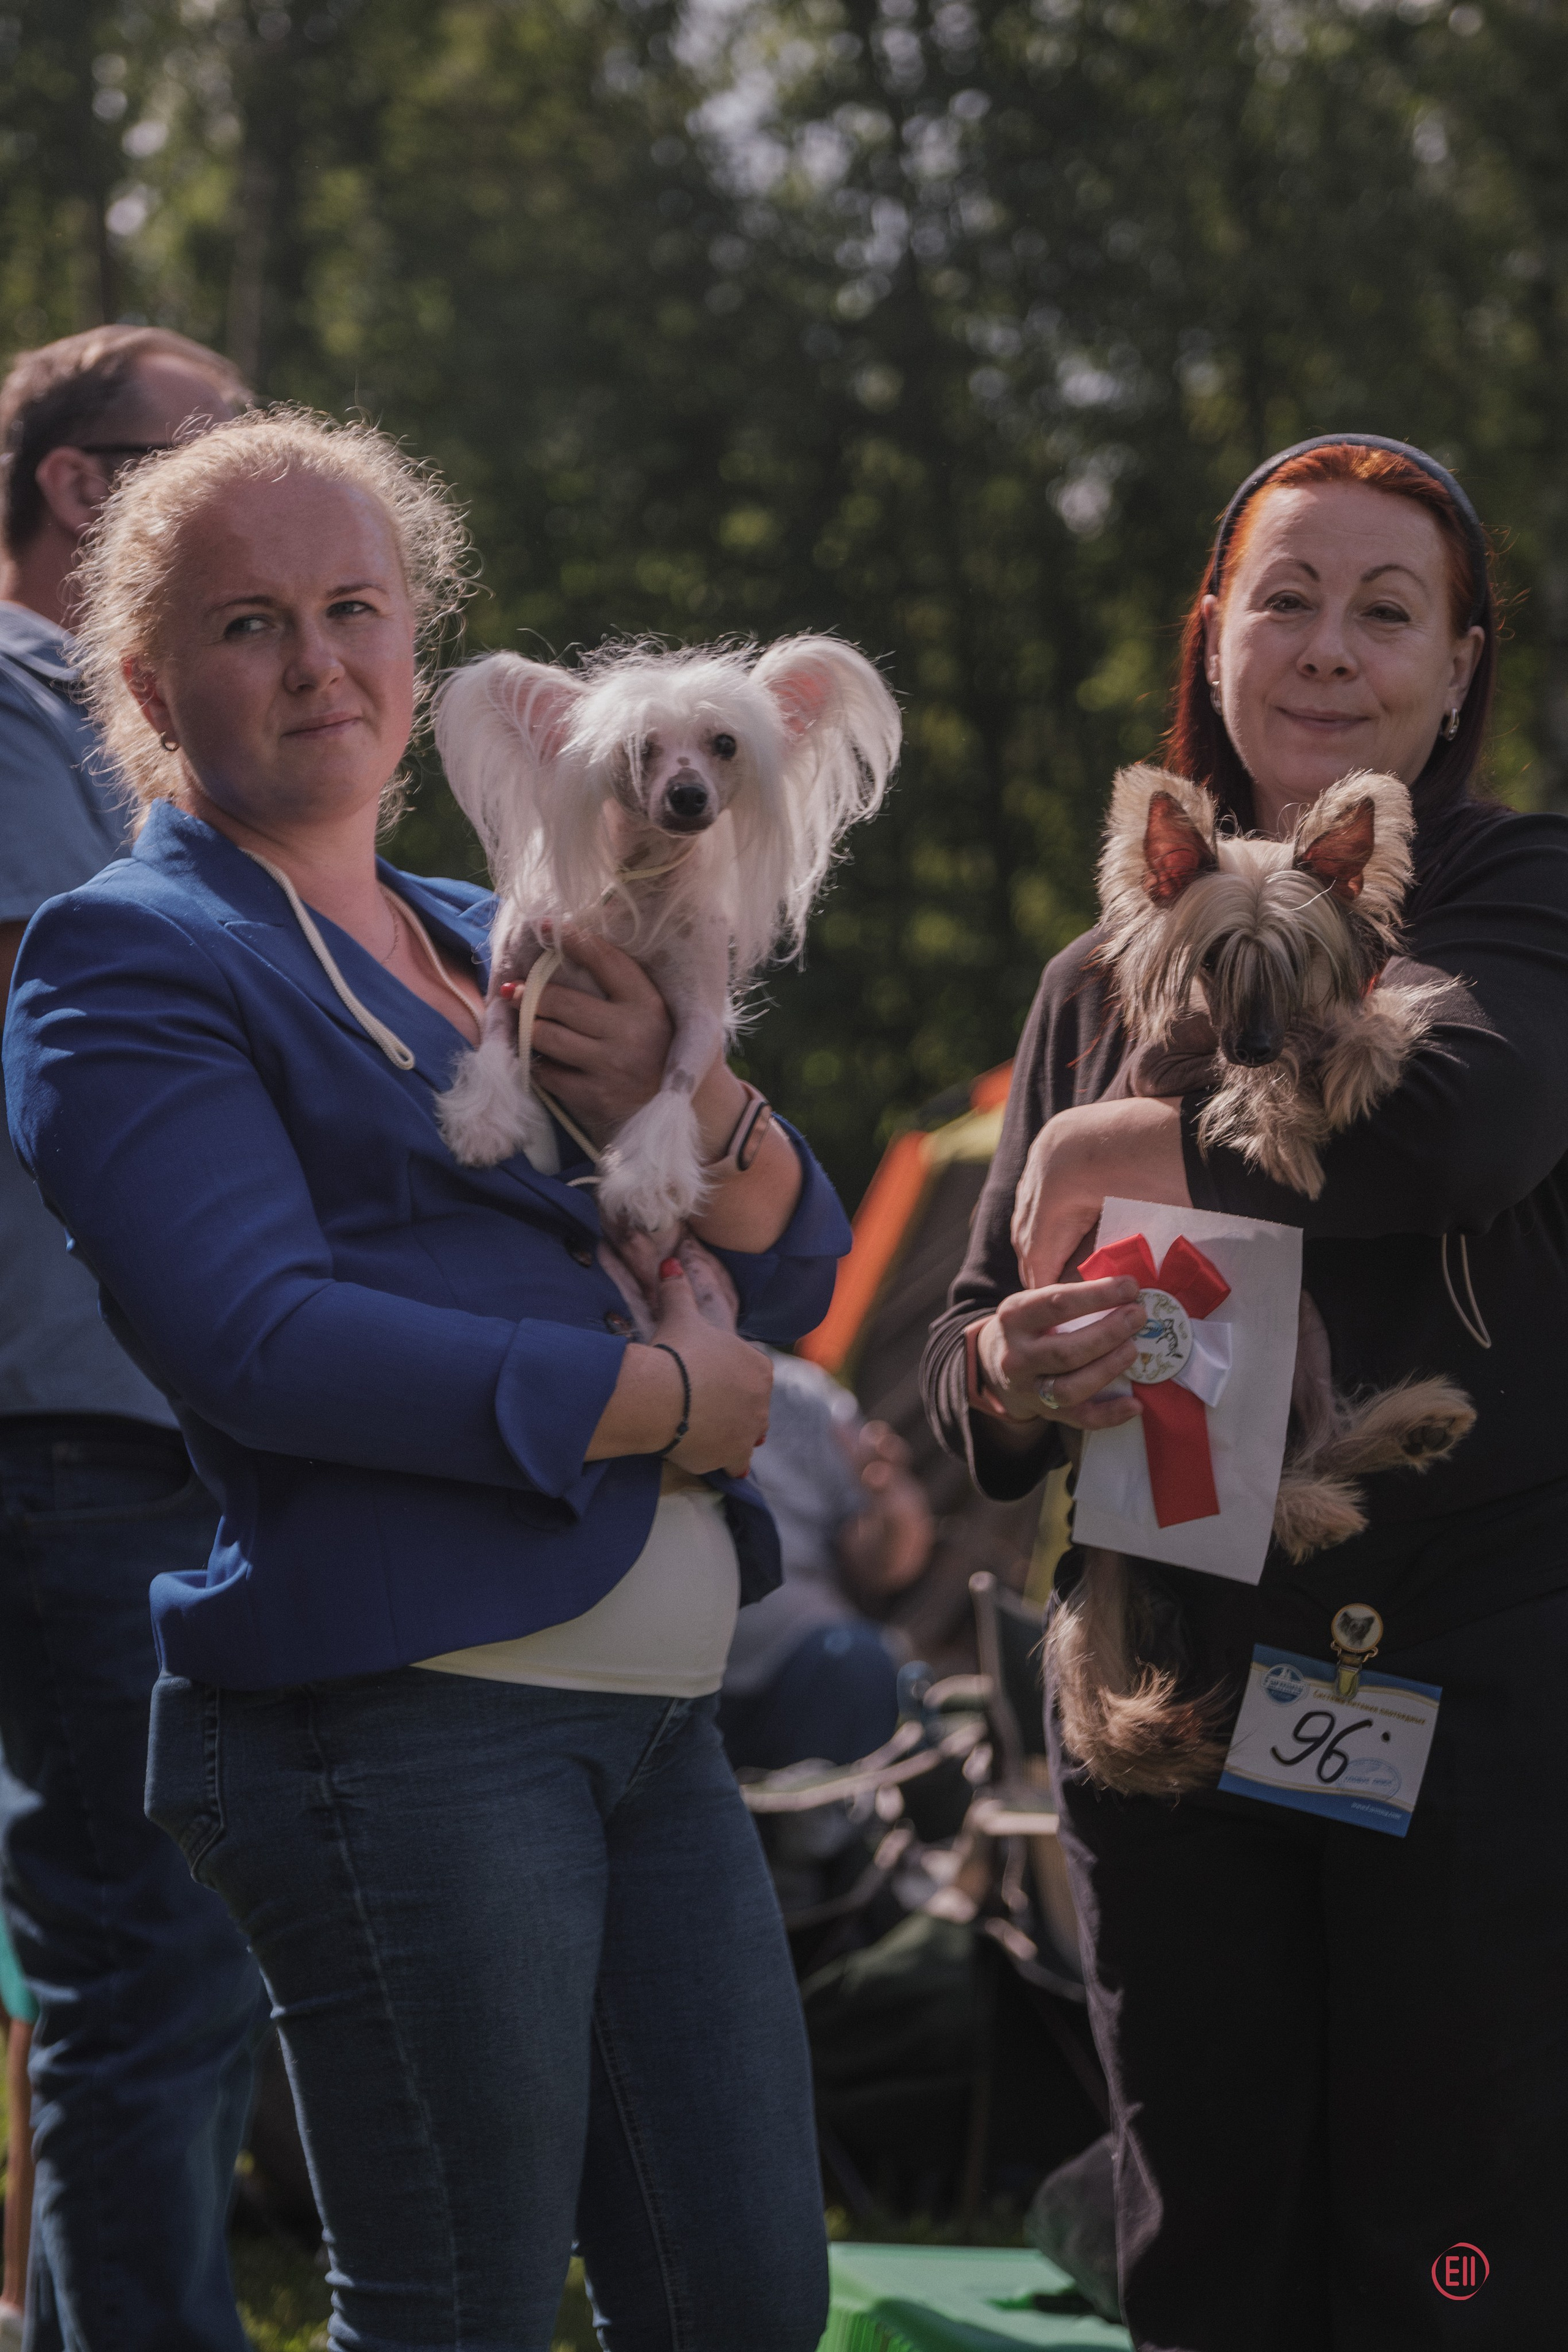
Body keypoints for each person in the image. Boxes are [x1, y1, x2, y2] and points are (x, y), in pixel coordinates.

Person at [4, 406, 851, 2351]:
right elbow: (262, 1341)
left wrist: (691, 1089)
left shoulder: (502, 933)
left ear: (418, 642)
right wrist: (664, 1409)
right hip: (408, 1725)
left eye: (353, 607)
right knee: (457, 2310)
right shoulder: (124, 958)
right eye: (250, 624)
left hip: (652, 1721)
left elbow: (791, 1258)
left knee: (745, 2303)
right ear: (147, 681)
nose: (317, 661)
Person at [922, 435, 1567, 2348]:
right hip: (1165, 1685)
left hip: (1455, 1666)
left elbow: (1462, 1128)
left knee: (1448, 2233)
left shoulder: (1509, 894)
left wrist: (1135, 1141)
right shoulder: (1086, 975)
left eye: (1388, 610)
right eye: (1282, 597)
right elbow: (973, 1377)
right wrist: (1003, 1357)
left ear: (1458, 667)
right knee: (1199, 2220)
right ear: (1212, 643)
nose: (1327, 647)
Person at [0, 326, 270, 2352]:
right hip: (73, 1430)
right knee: (143, 1979)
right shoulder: (14, 708)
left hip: (152, 1415)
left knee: (168, 1974)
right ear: (88, 493)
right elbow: (89, 1018)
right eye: (216, 455)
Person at [718, 1349, 932, 1769]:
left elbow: (879, 1566)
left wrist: (892, 1508)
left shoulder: (806, 1393)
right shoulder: (627, 1366)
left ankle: (826, 1827)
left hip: (801, 1666)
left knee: (862, 1660)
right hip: (660, 1677)